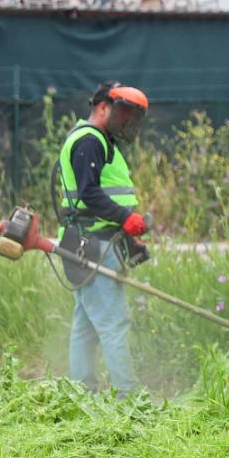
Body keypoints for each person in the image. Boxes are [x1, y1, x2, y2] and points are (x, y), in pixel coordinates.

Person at [55, 81, 151, 398]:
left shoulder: (100, 141)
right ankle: (129, 399)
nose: (127, 122)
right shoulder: (89, 141)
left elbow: (102, 194)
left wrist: (127, 236)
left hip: (91, 242)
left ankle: (81, 394)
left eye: (131, 117)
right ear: (102, 107)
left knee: (86, 326)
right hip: (91, 245)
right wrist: (126, 218)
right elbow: (90, 194)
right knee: (113, 323)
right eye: (123, 114)